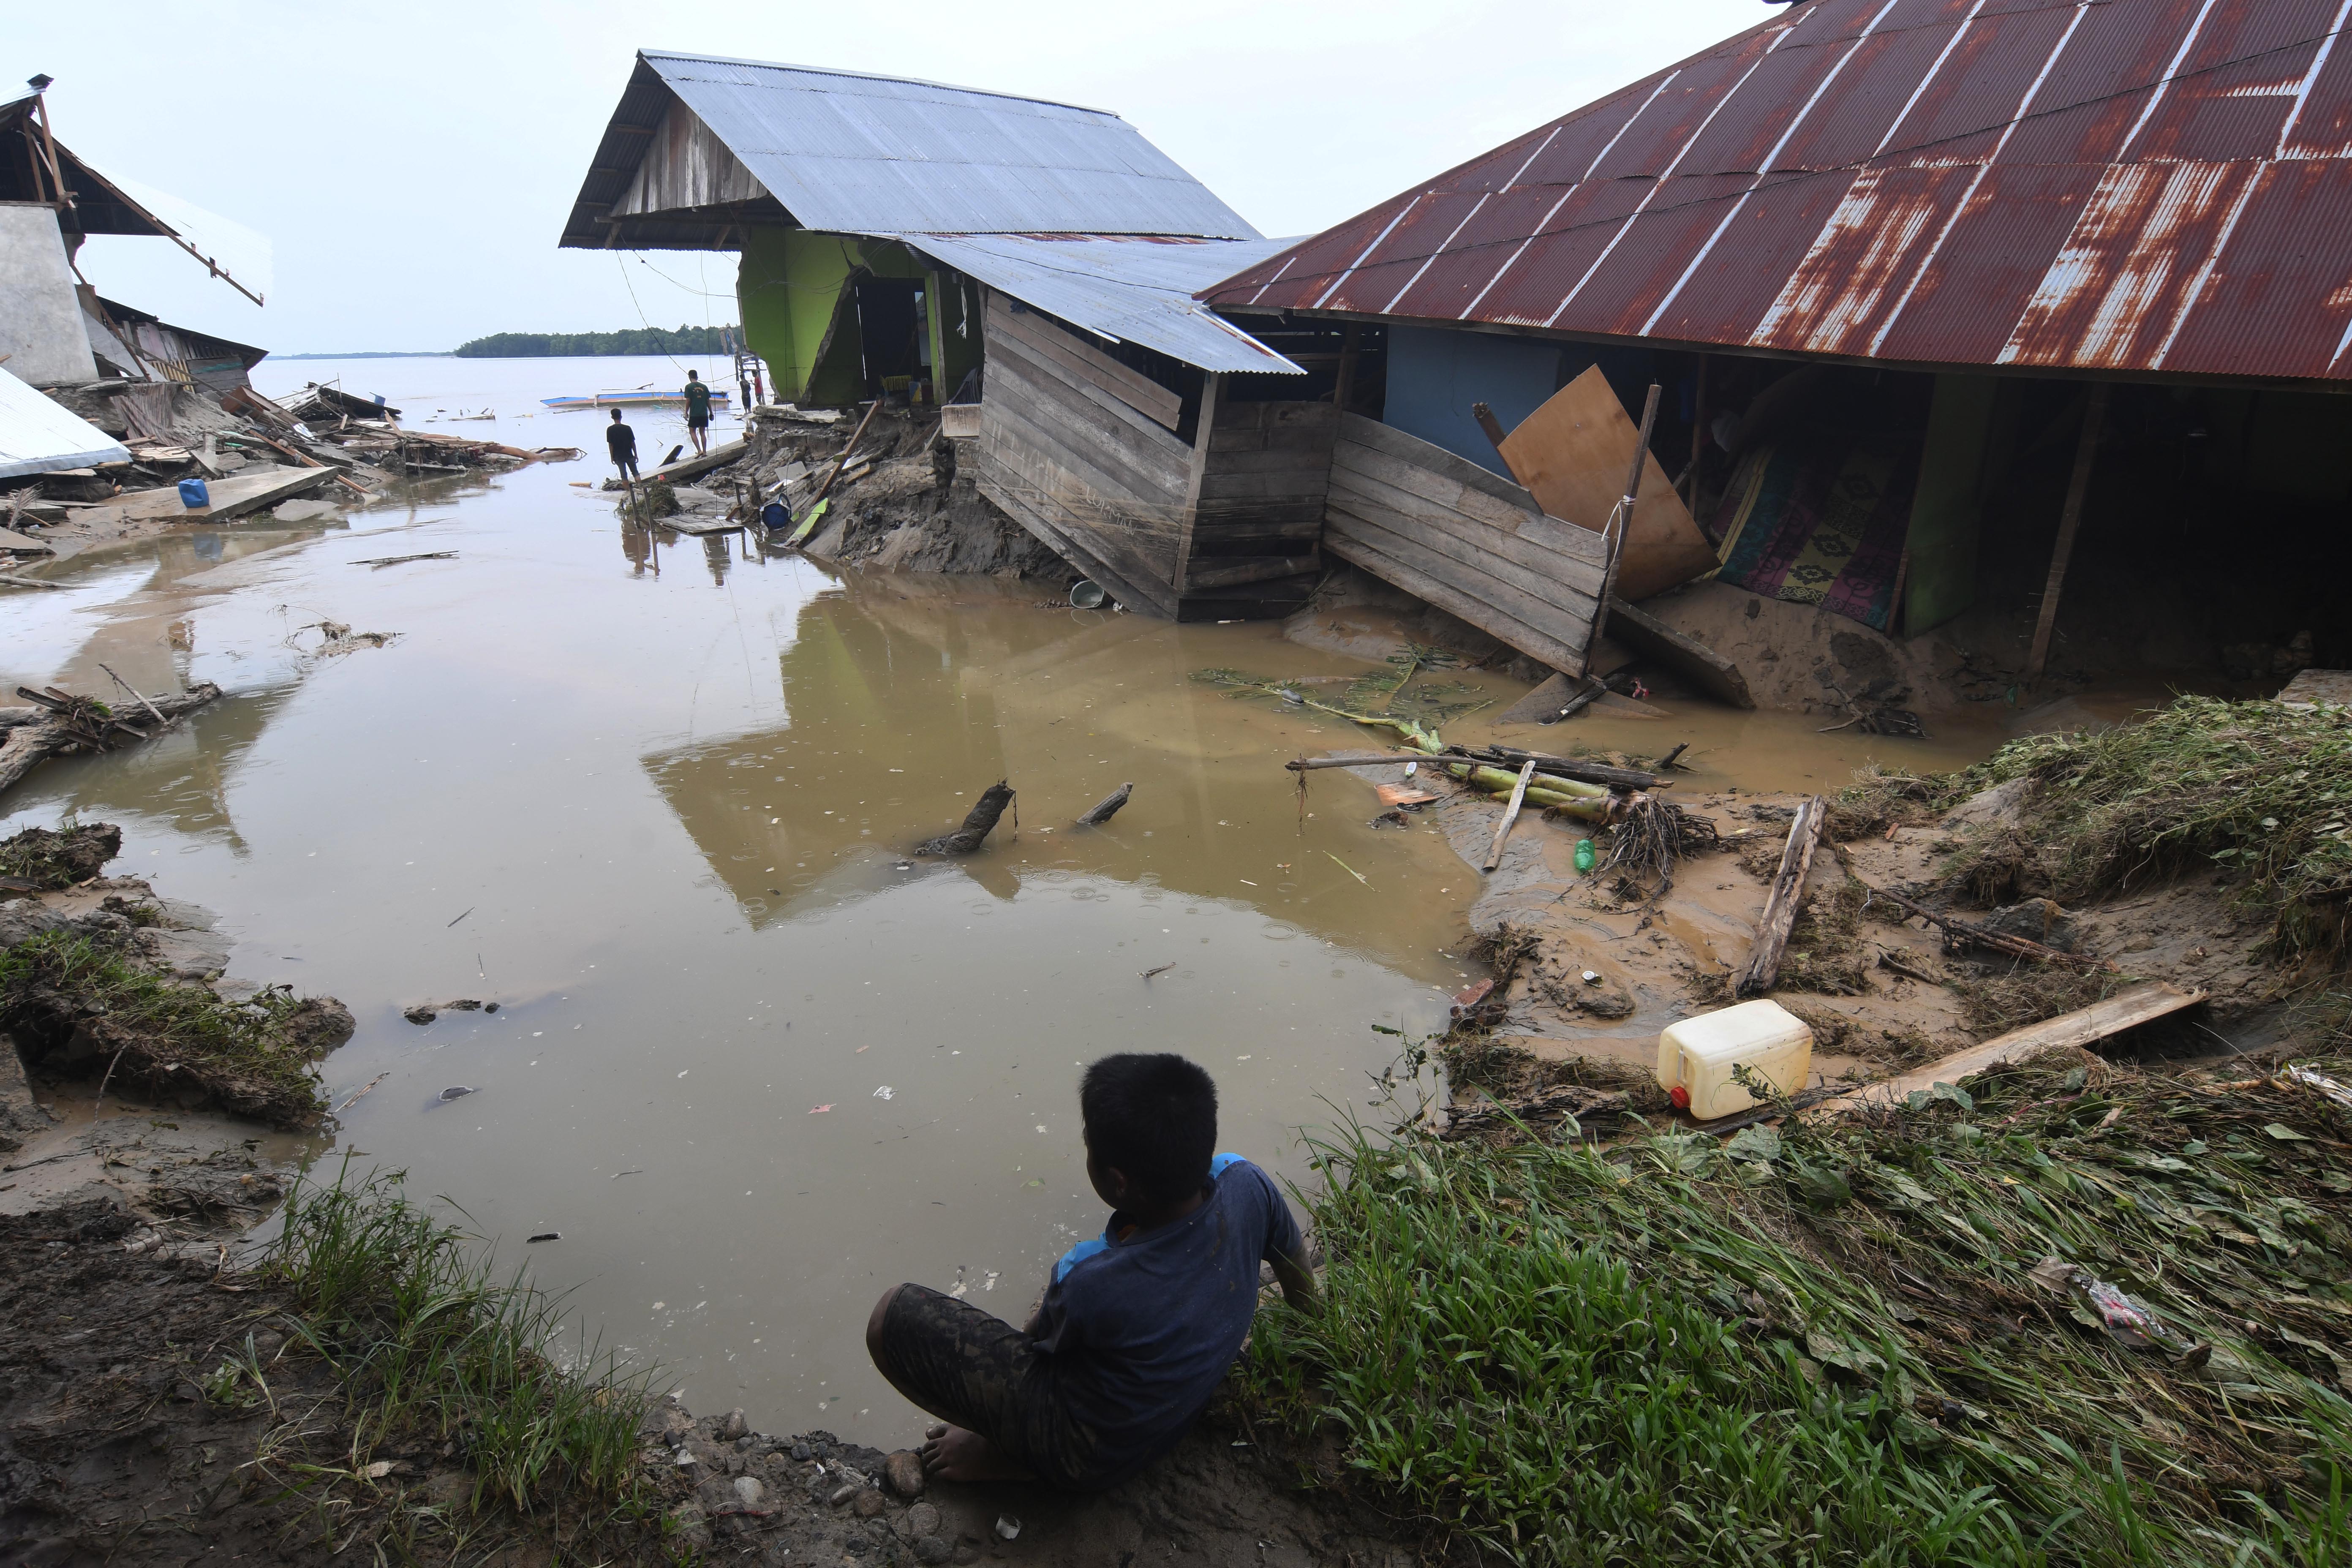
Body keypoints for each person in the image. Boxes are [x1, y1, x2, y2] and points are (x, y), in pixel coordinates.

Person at [866, 1053, 1317, 1492]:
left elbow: (1035, 1351)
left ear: (1118, 1181)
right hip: (1179, 1413)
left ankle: (1007, 1454)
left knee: (890, 1317)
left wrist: (999, 1421)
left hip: (1091, 1460)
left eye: (1089, 1145)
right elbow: (1293, 1256)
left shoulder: (1089, 1276)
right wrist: (1313, 1332)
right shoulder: (1247, 1183)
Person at [682, 369, 712, 457]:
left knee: (692, 431)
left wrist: (686, 412)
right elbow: (708, 401)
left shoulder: (688, 387)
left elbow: (688, 400)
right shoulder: (704, 387)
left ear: (689, 377)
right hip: (704, 413)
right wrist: (711, 413)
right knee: (703, 432)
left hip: (694, 414)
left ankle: (699, 451)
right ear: (697, 377)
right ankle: (705, 451)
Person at [606, 408, 640, 482]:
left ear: (612, 418)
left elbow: (611, 445)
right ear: (621, 417)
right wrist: (636, 455)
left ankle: (627, 492)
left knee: (624, 476)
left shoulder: (610, 430)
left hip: (618, 457)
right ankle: (641, 488)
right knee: (636, 473)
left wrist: (612, 457)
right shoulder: (628, 428)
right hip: (629, 455)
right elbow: (633, 443)